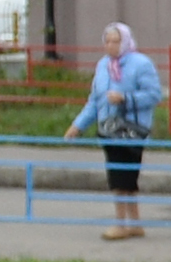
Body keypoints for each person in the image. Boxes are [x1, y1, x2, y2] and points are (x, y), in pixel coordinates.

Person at [62, 20, 163, 240]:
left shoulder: (140, 64)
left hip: (131, 129)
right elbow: (95, 100)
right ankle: (134, 223)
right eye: (106, 41)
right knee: (120, 175)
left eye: (115, 41)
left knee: (123, 176)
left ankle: (121, 224)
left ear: (125, 41)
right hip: (109, 129)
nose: (110, 45)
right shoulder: (103, 66)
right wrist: (78, 125)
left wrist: (125, 98)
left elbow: (154, 95)